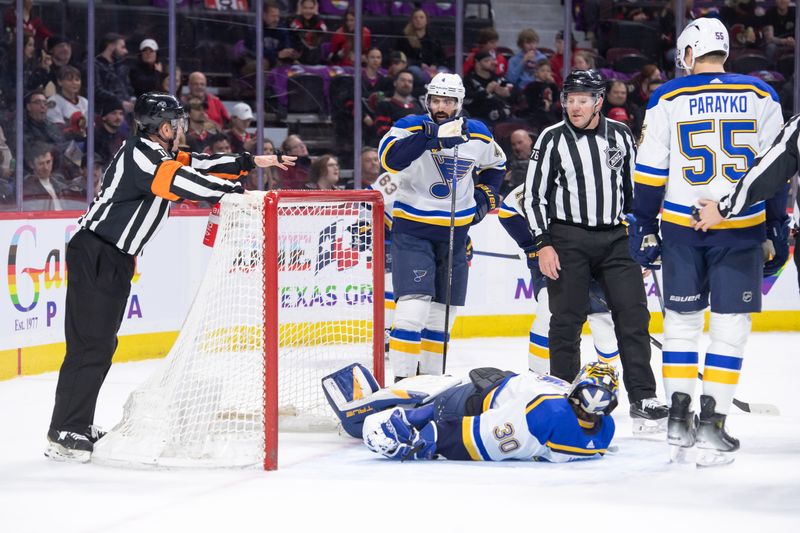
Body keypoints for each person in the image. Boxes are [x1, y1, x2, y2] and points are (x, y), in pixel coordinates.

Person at [44, 92, 295, 462]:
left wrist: (250, 161)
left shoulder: (158, 153)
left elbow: (199, 165)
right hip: (97, 253)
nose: (182, 130)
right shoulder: (143, 158)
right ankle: (64, 431)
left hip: (112, 257)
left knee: (100, 345)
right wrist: (238, 193)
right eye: (177, 123)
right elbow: (184, 183)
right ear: (163, 127)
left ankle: (76, 424)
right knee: (90, 346)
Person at [629, 18, 784, 467]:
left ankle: (678, 425)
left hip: (681, 225)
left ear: (690, 53)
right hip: (742, 227)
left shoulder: (667, 96)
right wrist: (777, 224)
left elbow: (651, 168)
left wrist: (642, 222)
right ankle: (713, 428)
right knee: (729, 331)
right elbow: (775, 168)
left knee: (680, 324)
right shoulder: (761, 94)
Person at [523, 69, 668, 429]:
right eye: (569, 99)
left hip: (617, 239)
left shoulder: (620, 135)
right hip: (567, 239)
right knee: (566, 320)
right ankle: (564, 396)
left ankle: (643, 397)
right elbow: (534, 196)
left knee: (634, 317)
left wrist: (642, 240)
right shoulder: (552, 138)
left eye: (582, 100)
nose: (574, 106)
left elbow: (635, 192)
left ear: (598, 102)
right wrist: (543, 244)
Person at [378, 72, 506, 380]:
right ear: (427, 100)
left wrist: (484, 198)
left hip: (455, 235)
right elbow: (389, 160)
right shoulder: (410, 126)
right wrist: (429, 137)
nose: (441, 106)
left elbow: (497, 165)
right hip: (413, 231)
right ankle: (403, 383)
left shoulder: (478, 134)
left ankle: (432, 382)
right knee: (411, 310)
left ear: (459, 103)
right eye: (436, 100)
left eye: (448, 101)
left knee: (441, 316)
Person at [361, 362, 618, 462]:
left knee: (426, 410)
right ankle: (411, 410)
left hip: (485, 393)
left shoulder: (549, 413)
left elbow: (475, 437)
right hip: (491, 389)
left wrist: (429, 440)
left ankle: (410, 411)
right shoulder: (605, 432)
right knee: (428, 407)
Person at [498, 183, 623, 375]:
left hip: (597, 257)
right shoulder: (537, 183)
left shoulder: (599, 182)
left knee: (603, 321)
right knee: (548, 312)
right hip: (552, 260)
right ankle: (538, 378)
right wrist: (533, 247)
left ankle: (608, 379)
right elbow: (507, 211)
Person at [463, 51, 514, 127]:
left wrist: (507, 93)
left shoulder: (497, 78)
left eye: (493, 60)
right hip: (480, 118)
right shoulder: (469, 80)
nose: (493, 63)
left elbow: (514, 91)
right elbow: (466, 100)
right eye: (487, 60)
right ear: (477, 63)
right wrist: (486, 92)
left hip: (503, 116)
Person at [93, 33, 134, 114]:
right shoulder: (94, 65)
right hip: (106, 114)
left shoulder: (121, 67)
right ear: (111, 46)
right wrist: (119, 102)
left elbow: (128, 89)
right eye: (122, 47)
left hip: (126, 114)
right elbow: (96, 90)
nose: (126, 51)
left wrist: (133, 100)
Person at [289, 0, 328, 65]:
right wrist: (298, 14)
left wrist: (317, 15)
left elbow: (324, 30)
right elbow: (297, 30)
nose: (308, 11)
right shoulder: (292, 19)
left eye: (311, 8)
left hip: (314, 61)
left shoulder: (317, 20)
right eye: (305, 8)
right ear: (300, 8)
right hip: (296, 60)